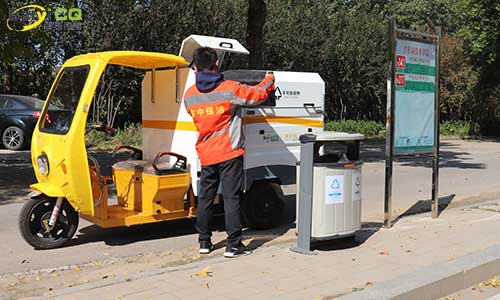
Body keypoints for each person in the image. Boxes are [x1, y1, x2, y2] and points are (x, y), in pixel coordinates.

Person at [184, 47, 275, 258]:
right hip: (229, 152)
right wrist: (269, 79)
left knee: (206, 198)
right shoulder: (229, 88)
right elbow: (257, 95)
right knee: (231, 197)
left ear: (196, 68)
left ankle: (204, 241)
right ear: (216, 64)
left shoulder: (189, 96)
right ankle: (234, 245)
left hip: (206, 153)